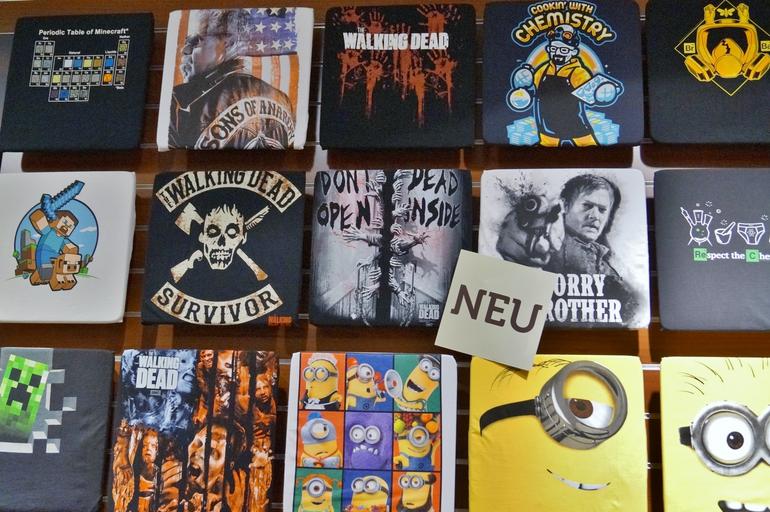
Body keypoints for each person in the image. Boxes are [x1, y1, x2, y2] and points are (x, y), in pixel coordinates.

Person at [169, 9, 296, 150]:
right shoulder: (282, 99)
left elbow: (180, 157)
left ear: (227, 43)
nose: (185, 50)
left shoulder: (180, 100)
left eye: (195, 40)